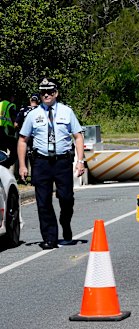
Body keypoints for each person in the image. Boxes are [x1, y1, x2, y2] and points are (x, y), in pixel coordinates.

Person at [17, 78, 85, 249]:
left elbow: (78, 136)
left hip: (62, 162)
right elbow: (23, 140)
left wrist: (81, 161)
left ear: (56, 93)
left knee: (66, 198)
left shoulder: (66, 111)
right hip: (41, 163)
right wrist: (23, 165)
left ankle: (65, 221)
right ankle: (50, 238)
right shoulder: (33, 114)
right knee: (43, 202)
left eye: (50, 91)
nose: (46, 95)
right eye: (43, 92)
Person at [14, 93, 40, 177]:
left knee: (22, 155)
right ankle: (35, 176)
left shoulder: (23, 110)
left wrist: (20, 129)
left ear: (30, 100)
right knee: (37, 156)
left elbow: (15, 124)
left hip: (25, 136)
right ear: (38, 100)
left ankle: (22, 175)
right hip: (37, 136)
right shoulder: (41, 110)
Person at [0, 94, 18, 168]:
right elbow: (15, 119)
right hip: (6, 132)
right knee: (16, 151)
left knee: (1, 152)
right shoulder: (11, 105)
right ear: (11, 98)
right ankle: (5, 165)